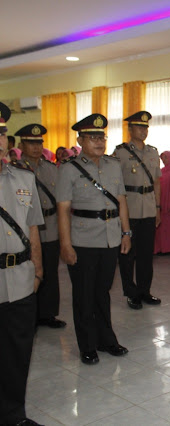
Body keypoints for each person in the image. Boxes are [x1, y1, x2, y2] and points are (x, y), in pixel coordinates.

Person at [57, 113, 131, 365]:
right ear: (80, 140)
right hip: (83, 240)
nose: (99, 142)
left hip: (110, 238)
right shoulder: (69, 169)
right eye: (92, 137)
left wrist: (126, 232)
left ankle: (106, 340)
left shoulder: (113, 165)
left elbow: (121, 200)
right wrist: (65, 245)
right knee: (84, 295)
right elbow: (63, 209)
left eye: (102, 137)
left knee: (103, 292)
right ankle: (87, 345)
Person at [0, 102, 45, 426]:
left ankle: (14, 414)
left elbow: (32, 227)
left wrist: (39, 269)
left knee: (17, 353)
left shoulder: (23, 179)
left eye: (1, 132)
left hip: (20, 277)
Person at [14, 124, 66, 329]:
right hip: (26, 229)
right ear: (21, 145)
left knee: (51, 271)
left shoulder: (52, 168)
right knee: (30, 272)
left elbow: (61, 201)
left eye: (39, 142)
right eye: (30, 142)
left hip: (51, 225)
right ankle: (31, 316)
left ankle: (48, 314)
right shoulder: (15, 170)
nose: (36, 147)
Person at [113, 111, 162, 310]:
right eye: (139, 127)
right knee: (127, 254)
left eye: (146, 127)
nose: (143, 131)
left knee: (146, 255)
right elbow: (116, 185)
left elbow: (157, 182)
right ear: (130, 129)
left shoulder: (153, 152)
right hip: (129, 209)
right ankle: (130, 292)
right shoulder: (120, 153)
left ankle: (144, 291)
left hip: (149, 208)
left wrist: (158, 208)